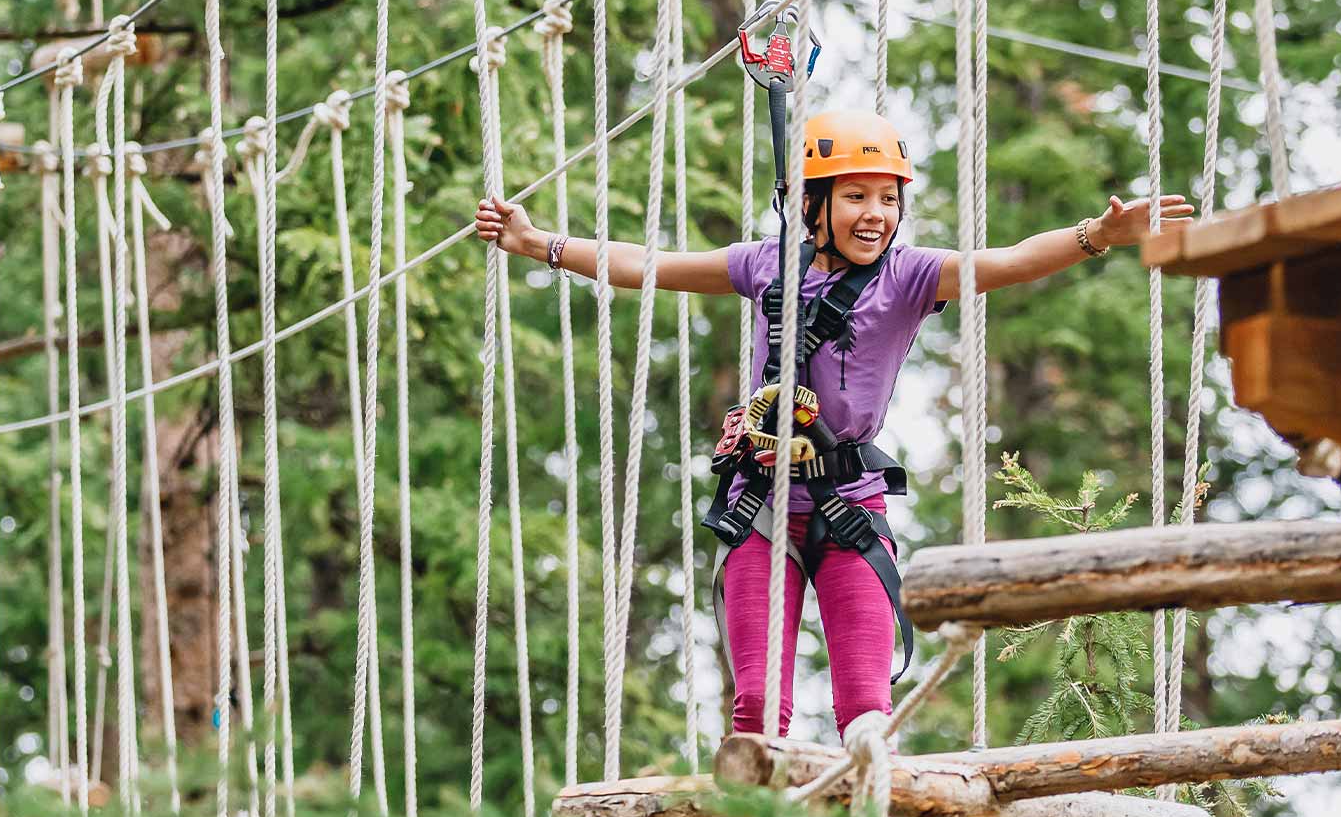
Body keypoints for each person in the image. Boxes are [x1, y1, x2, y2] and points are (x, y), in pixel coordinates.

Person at [471, 109, 1191, 738]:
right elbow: (648, 265)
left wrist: (1097, 234)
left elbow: (1009, 261)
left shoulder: (909, 276)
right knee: (755, 704)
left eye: (887, 197)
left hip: (850, 505)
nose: (876, 213)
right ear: (812, 203)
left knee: (867, 709)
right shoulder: (765, 264)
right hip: (763, 504)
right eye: (856, 196)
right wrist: (540, 246)